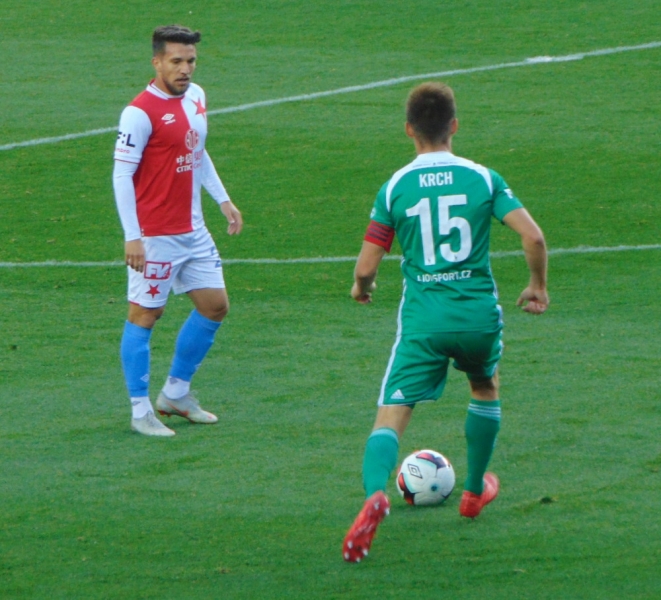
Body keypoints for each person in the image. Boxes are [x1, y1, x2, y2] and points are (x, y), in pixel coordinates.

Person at [342, 82, 548, 562]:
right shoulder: (483, 178)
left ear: (408, 130)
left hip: (424, 321)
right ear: (454, 125)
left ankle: (375, 494)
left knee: (393, 412)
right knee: (484, 385)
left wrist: (361, 288)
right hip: (477, 315)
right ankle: (474, 493)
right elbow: (534, 238)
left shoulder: (395, 187)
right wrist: (537, 285)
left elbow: (367, 266)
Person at [112, 25, 243, 437]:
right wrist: (133, 235)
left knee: (215, 305)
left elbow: (196, 151)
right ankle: (140, 411)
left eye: (191, 61)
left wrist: (222, 199)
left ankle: (175, 393)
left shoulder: (197, 96)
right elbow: (122, 175)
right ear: (157, 62)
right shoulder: (139, 113)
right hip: (155, 236)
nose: (185, 69)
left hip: (193, 230)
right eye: (176, 61)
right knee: (145, 314)